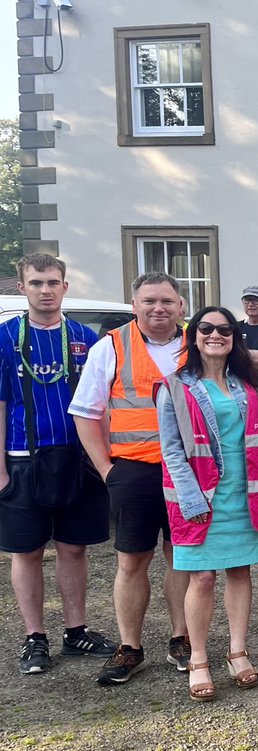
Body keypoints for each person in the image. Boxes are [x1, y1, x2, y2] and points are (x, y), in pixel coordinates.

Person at [70, 272, 191, 685]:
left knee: (183, 556)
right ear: (135, 304)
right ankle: (130, 647)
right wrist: (107, 470)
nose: (159, 309)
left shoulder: (200, 342)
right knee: (132, 561)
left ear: (181, 306)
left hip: (188, 470)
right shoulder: (112, 346)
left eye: (167, 301)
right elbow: (86, 413)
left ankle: (182, 638)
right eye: (149, 301)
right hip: (133, 470)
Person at [0, 254, 117, 675]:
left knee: (73, 548)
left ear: (65, 287)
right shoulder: (4, 337)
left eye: (52, 282)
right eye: (36, 283)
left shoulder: (87, 338)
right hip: (22, 459)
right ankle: (34, 637)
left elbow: (103, 406)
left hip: (78, 460)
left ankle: (75, 631)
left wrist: (105, 460)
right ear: (22, 288)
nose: (45, 290)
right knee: (27, 551)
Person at [157, 306, 258, 701]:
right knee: (202, 578)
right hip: (199, 496)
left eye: (225, 329)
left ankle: (237, 652)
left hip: (244, 493)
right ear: (193, 335)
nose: (215, 335)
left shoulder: (250, 386)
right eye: (206, 328)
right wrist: (190, 498)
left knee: (240, 572)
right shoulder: (174, 386)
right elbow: (171, 451)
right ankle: (200, 659)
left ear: (235, 337)